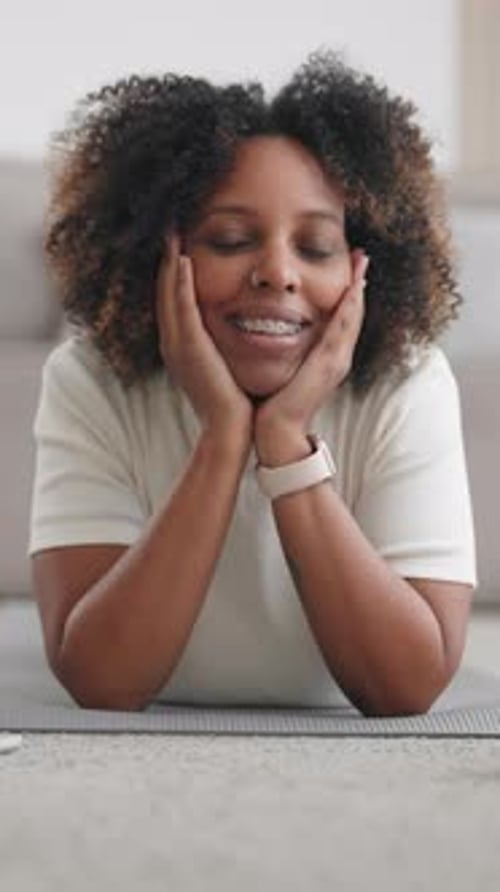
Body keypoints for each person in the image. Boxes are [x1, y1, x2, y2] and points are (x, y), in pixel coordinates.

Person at [29, 51, 476, 715]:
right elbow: (102, 679)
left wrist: (286, 441)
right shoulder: (89, 379)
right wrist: (223, 436)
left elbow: (407, 686)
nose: (277, 273)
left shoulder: (410, 384)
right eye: (231, 240)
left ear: (362, 268)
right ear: (163, 253)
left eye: (316, 248)